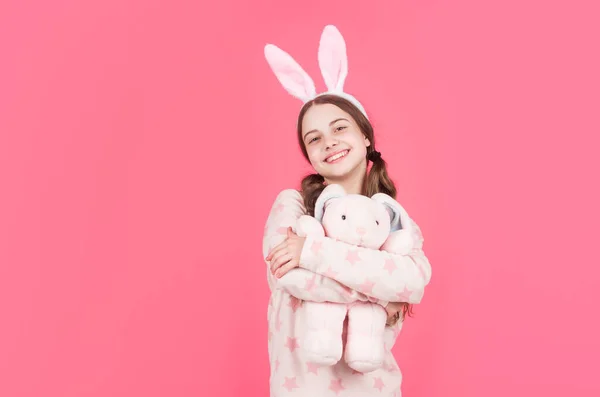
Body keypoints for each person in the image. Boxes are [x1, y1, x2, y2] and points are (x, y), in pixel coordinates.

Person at [262, 25, 432, 397]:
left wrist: (310, 252)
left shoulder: (391, 220)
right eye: (314, 138)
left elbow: (414, 281)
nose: (330, 142)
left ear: (365, 135)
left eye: (340, 127)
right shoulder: (291, 205)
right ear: (309, 155)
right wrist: (380, 290)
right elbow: (289, 278)